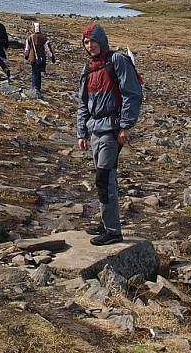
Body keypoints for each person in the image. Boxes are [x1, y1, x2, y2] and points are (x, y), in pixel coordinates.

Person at [76, 24, 143, 246]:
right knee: (103, 178)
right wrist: (81, 131)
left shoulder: (117, 61)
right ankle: (107, 223)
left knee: (104, 179)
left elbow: (132, 93)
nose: (90, 45)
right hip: (95, 129)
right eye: (86, 42)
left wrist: (125, 126)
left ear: (102, 40)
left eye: (93, 40)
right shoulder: (89, 67)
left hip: (111, 129)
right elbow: (83, 103)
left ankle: (113, 231)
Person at [23, 22, 56, 93]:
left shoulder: (30, 37)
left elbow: (27, 48)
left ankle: (34, 88)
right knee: (39, 72)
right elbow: (48, 49)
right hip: (41, 58)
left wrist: (26, 55)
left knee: (34, 72)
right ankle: (38, 87)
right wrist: (52, 56)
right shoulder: (44, 38)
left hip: (32, 58)